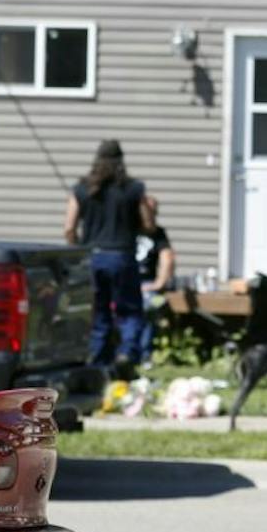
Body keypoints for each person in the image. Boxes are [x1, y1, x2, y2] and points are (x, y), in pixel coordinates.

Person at [64, 140, 153, 373]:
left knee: (98, 311)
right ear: (121, 160)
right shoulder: (134, 188)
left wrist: (78, 250)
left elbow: (69, 227)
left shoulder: (82, 189)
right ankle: (126, 352)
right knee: (131, 310)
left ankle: (97, 359)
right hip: (122, 256)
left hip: (93, 257)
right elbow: (148, 223)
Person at [136, 197, 176, 363]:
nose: (150, 216)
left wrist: (159, 283)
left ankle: (144, 355)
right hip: (124, 282)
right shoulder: (126, 230)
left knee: (148, 310)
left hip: (146, 284)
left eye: (153, 212)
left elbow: (168, 257)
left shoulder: (158, 233)